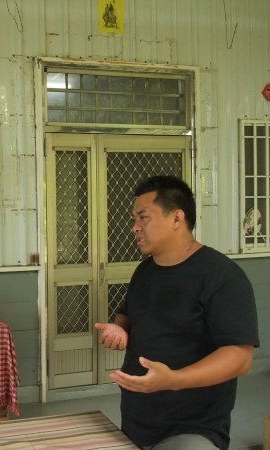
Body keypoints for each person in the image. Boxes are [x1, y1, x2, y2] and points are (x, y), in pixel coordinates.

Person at [95, 175, 259, 450]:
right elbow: (128, 315)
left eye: (143, 218)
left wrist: (173, 380)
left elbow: (239, 358)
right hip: (138, 421)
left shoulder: (222, 277)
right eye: (134, 219)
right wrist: (120, 328)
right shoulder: (144, 271)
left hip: (193, 428)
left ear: (176, 218)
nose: (135, 228)